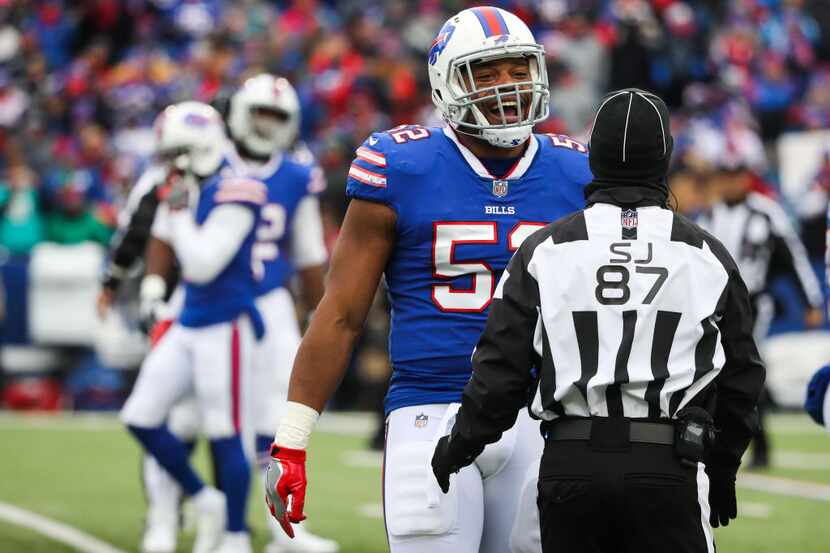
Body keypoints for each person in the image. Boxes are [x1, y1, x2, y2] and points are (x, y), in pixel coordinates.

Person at [265, 7, 591, 553]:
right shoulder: (400, 165)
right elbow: (341, 313)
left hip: (542, 413)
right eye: (484, 74)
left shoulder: (576, 171)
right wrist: (292, 439)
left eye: (516, 69)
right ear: (445, 82)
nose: (506, 87)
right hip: (430, 408)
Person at [430, 89, 765, 553]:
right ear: (665, 156)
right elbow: (741, 376)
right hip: (667, 465)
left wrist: (462, 442)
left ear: (595, 159)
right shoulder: (706, 254)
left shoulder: (545, 250)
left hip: (572, 461)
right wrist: (724, 466)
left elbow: (500, 370)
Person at [120, 77, 338, 553]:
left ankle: (281, 527)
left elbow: (306, 256)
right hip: (198, 302)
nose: (266, 125)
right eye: (260, 112)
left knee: (277, 423)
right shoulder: (206, 154)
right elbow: (160, 228)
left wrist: (320, 317)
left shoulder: (297, 175)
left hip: (264, 304)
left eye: (277, 117)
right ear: (237, 112)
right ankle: (164, 519)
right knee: (176, 418)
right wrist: (154, 286)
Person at [121, 101, 267, 553]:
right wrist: (151, 286)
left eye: (177, 151)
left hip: (227, 325)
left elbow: (204, 264)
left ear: (198, 146)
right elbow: (162, 236)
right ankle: (205, 499)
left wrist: (181, 212)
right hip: (189, 319)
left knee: (225, 432)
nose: (170, 163)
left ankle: (236, 535)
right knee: (140, 416)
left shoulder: (240, 186)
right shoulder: (186, 184)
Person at [697, 141, 824, 468]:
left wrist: (811, 300)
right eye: (724, 175)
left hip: (754, 304)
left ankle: (760, 446)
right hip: (714, 305)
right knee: (719, 371)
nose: (730, 182)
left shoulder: (766, 212)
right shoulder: (709, 216)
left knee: (745, 368)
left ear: (747, 177)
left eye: (736, 174)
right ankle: (721, 442)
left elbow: (793, 257)